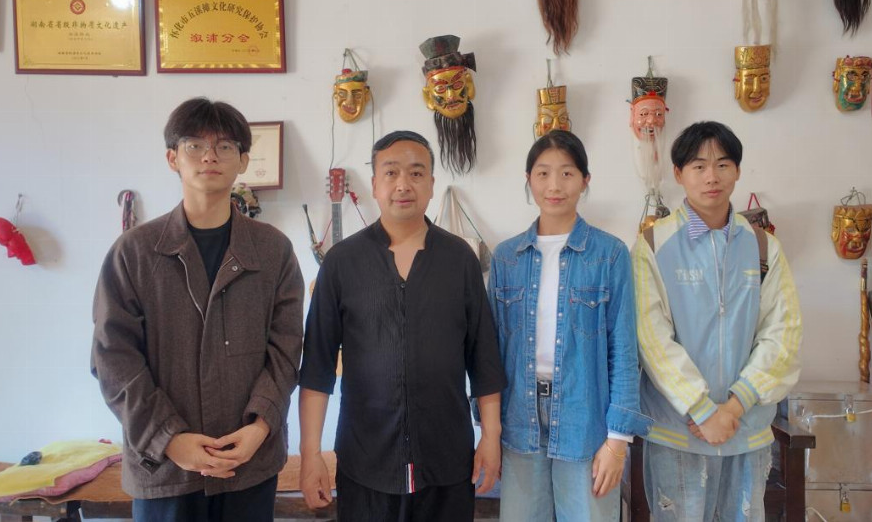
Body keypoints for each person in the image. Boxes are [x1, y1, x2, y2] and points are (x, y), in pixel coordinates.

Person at [91, 97, 305, 522]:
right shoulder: (133, 252)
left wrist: (260, 427)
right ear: (173, 158)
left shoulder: (273, 250)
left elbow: (287, 349)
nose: (210, 156)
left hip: (248, 464)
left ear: (243, 161)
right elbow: (113, 358)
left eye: (225, 146)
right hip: (163, 469)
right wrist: (169, 438)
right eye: (194, 145)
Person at [298, 130, 506, 521]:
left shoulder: (459, 259)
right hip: (365, 460)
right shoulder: (342, 262)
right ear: (375, 184)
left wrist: (490, 437)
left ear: (432, 183)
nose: (403, 184)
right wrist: (310, 454)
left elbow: (484, 359)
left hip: (447, 459)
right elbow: (316, 369)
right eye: (391, 172)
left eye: (416, 173)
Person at [633, 121, 802, 521]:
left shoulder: (763, 247)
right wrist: (702, 409)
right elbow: (651, 339)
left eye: (723, 164)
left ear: (737, 171)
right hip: (679, 431)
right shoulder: (653, 245)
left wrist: (735, 406)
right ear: (679, 174)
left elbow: (783, 333)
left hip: (746, 429)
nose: (711, 177)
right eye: (698, 166)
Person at [491, 131, 651, 522]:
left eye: (567, 173)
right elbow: (491, 350)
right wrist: (489, 430)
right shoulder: (506, 257)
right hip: (519, 418)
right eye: (543, 173)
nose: (554, 185)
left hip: (586, 417)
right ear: (528, 179)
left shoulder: (609, 254)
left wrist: (618, 441)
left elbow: (623, 349)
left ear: (584, 180)